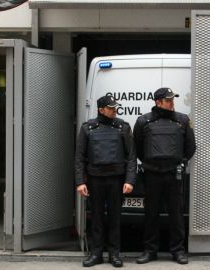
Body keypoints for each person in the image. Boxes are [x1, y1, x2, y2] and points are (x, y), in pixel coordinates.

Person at [133, 87, 196, 265]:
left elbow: (191, 147)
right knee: (151, 213)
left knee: (176, 214)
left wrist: (180, 161)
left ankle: (178, 251)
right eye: (168, 100)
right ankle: (149, 250)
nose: (172, 103)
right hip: (152, 174)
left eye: (172, 100)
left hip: (173, 174)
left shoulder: (182, 120)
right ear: (158, 102)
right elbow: (137, 147)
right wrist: (150, 163)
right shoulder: (143, 121)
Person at [74, 94, 137, 268]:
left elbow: (131, 156)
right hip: (95, 179)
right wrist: (80, 182)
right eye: (111, 108)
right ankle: (96, 254)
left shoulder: (123, 127)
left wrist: (130, 180)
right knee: (96, 218)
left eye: (115, 107)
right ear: (101, 110)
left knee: (115, 218)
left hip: (116, 180)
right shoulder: (88, 128)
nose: (114, 110)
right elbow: (79, 157)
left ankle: (114, 254)